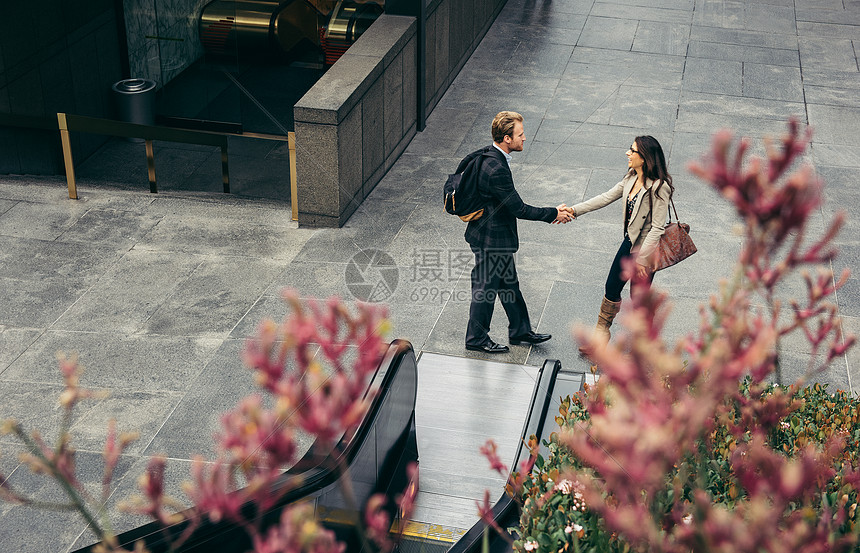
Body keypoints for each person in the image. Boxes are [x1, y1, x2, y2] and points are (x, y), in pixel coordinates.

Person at [464, 111, 573, 354]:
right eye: (520, 135)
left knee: (509, 285)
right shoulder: (497, 170)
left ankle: (520, 330)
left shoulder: (489, 155)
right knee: (484, 291)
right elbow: (518, 208)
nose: (525, 138)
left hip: (490, 236)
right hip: (492, 241)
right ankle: (476, 339)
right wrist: (553, 213)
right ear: (506, 139)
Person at [570, 135, 672, 350]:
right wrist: (574, 210)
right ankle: (600, 336)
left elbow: (657, 227)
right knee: (611, 287)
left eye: (632, 150)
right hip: (629, 243)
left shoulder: (659, 187)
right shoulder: (631, 178)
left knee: (638, 300)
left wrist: (643, 260)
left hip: (646, 250)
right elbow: (606, 197)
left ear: (643, 157)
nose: (628, 153)